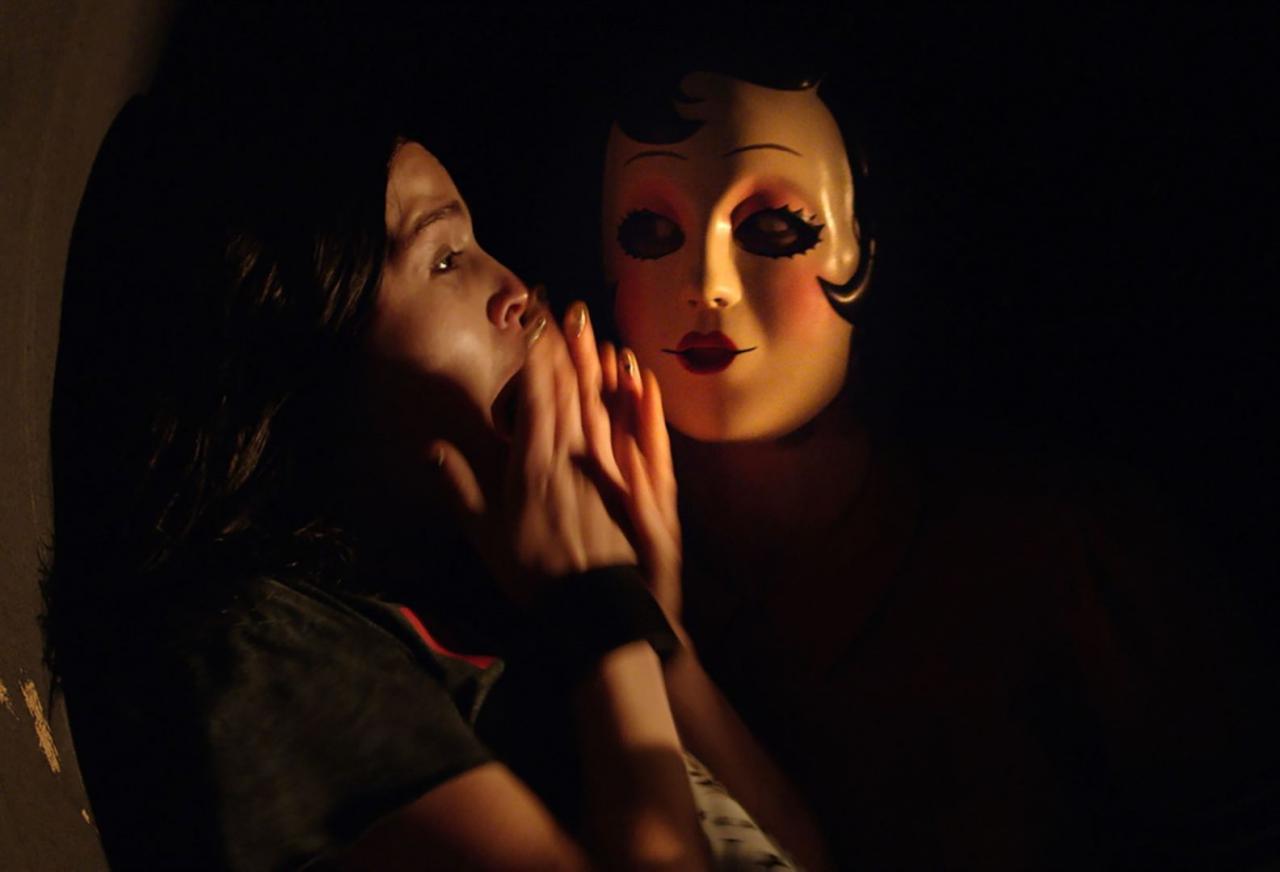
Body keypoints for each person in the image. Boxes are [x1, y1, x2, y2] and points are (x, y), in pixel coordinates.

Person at [43, 84, 831, 871]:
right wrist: (602, 617)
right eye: (447, 258)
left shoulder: (497, 602)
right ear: (298, 355)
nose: (517, 291)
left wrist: (658, 639)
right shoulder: (264, 652)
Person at [600, 57, 1280, 869]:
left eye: (774, 228)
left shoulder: (1063, 555)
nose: (706, 285)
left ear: (866, 246)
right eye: (651, 231)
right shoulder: (572, 560)